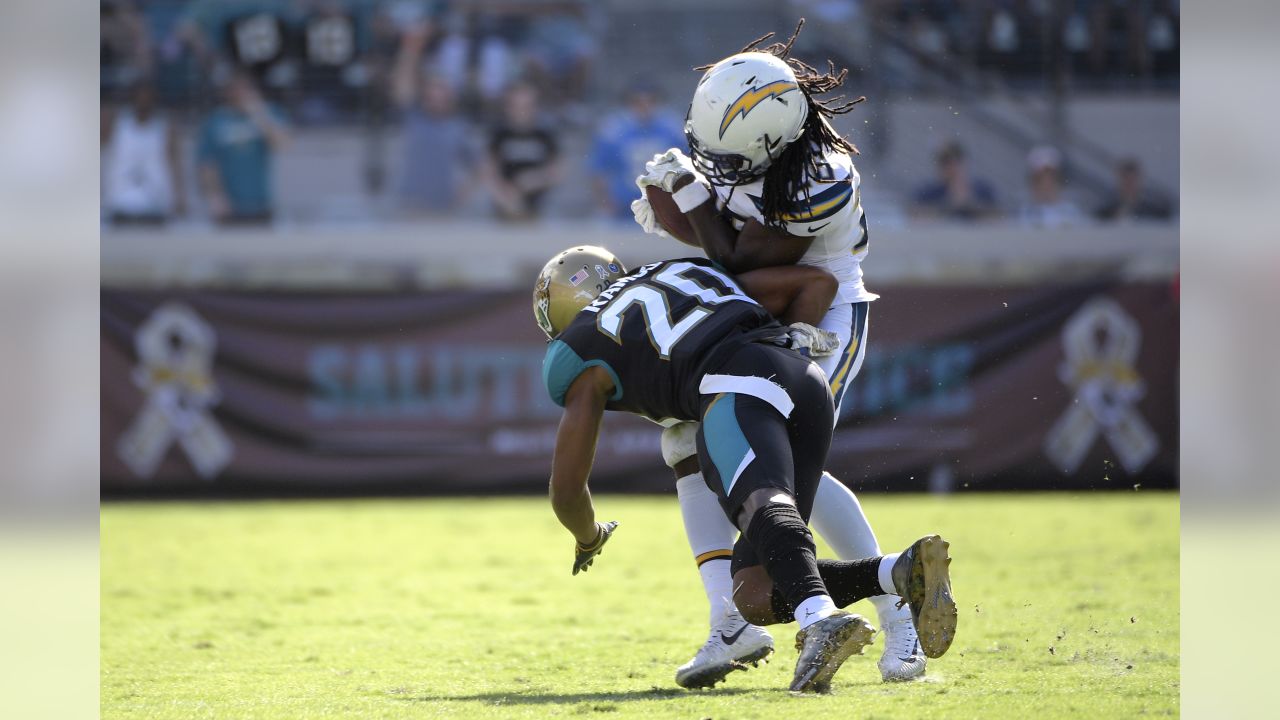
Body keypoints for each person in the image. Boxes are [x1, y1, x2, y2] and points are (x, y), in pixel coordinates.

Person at [630, 21, 929, 685]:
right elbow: (730, 249)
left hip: (823, 315)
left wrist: (683, 202)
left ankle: (898, 615)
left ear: (770, 143)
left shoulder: (822, 176)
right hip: (754, 306)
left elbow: (739, 256)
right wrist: (685, 201)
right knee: (685, 438)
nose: (712, 163)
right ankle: (726, 622)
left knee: (788, 478)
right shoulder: (754, 122)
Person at [534, 246, 957, 694]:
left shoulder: (581, 348)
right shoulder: (680, 267)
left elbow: (566, 490)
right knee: (753, 594)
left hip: (733, 387)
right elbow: (816, 283)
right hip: (802, 377)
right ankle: (900, 572)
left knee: (763, 501)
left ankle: (820, 619)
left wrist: (589, 537)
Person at [390, 23, 474, 216]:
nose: (436, 100)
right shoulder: (414, 117)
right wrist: (411, 48)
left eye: (441, 95)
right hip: (410, 205)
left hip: (444, 208)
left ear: (450, 98)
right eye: (431, 94)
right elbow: (402, 85)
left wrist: (462, 195)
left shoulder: (458, 127)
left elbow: (480, 167)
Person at [196, 72, 290, 226]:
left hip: (262, 203)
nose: (240, 94)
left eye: (245, 89)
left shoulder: (267, 113)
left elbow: (283, 145)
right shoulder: (215, 121)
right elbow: (206, 164)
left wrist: (259, 113)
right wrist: (215, 197)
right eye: (236, 89)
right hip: (229, 207)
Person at [589, 84, 686, 221]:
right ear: (628, 104)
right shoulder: (613, 131)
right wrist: (605, 202)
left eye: (650, 101)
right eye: (638, 102)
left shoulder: (672, 130)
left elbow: (689, 167)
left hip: (664, 207)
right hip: (623, 207)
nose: (644, 107)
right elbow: (598, 170)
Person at [102, 82, 184, 226]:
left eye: (148, 97)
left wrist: (179, 196)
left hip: (156, 203)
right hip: (120, 201)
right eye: (140, 97)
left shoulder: (165, 128)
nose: (143, 101)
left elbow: (174, 163)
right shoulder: (116, 124)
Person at [481, 83, 561, 221]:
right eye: (516, 106)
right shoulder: (499, 135)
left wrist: (530, 181)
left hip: (538, 211)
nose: (522, 112)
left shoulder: (544, 135)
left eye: (527, 106)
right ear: (507, 107)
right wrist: (504, 198)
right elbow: (488, 172)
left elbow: (557, 173)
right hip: (504, 209)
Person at [911, 142, 999, 220]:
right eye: (945, 163)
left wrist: (969, 204)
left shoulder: (982, 189)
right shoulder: (929, 191)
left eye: (956, 161)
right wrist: (949, 205)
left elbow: (998, 216)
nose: (951, 167)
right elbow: (915, 215)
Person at [1016, 146, 1086, 228]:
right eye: (1040, 179)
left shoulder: (1072, 212)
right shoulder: (1023, 213)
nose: (1046, 184)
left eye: (1051, 178)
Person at [1095, 157, 1173, 221]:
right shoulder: (1105, 210)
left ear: (1140, 180)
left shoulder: (1155, 210)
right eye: (1125, 179)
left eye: (1132, 180)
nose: (1129, 184)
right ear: (1118, 180)